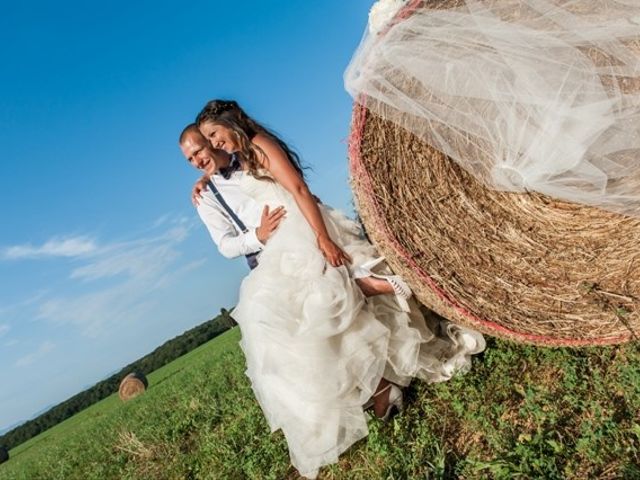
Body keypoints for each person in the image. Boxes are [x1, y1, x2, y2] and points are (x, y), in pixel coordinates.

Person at [180, 100, 485, 479]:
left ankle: (371, 306)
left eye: (209, 138)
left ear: (228, 126)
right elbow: (238, 212)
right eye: (197, 149)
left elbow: (298, 189)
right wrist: (207, 184)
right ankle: (372, 388)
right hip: (282, 242)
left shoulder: (256, 147)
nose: (206, 149)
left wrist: (323, 239)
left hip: (301, 231)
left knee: (317, 307)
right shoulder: (227, 171)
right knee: (293, 323)